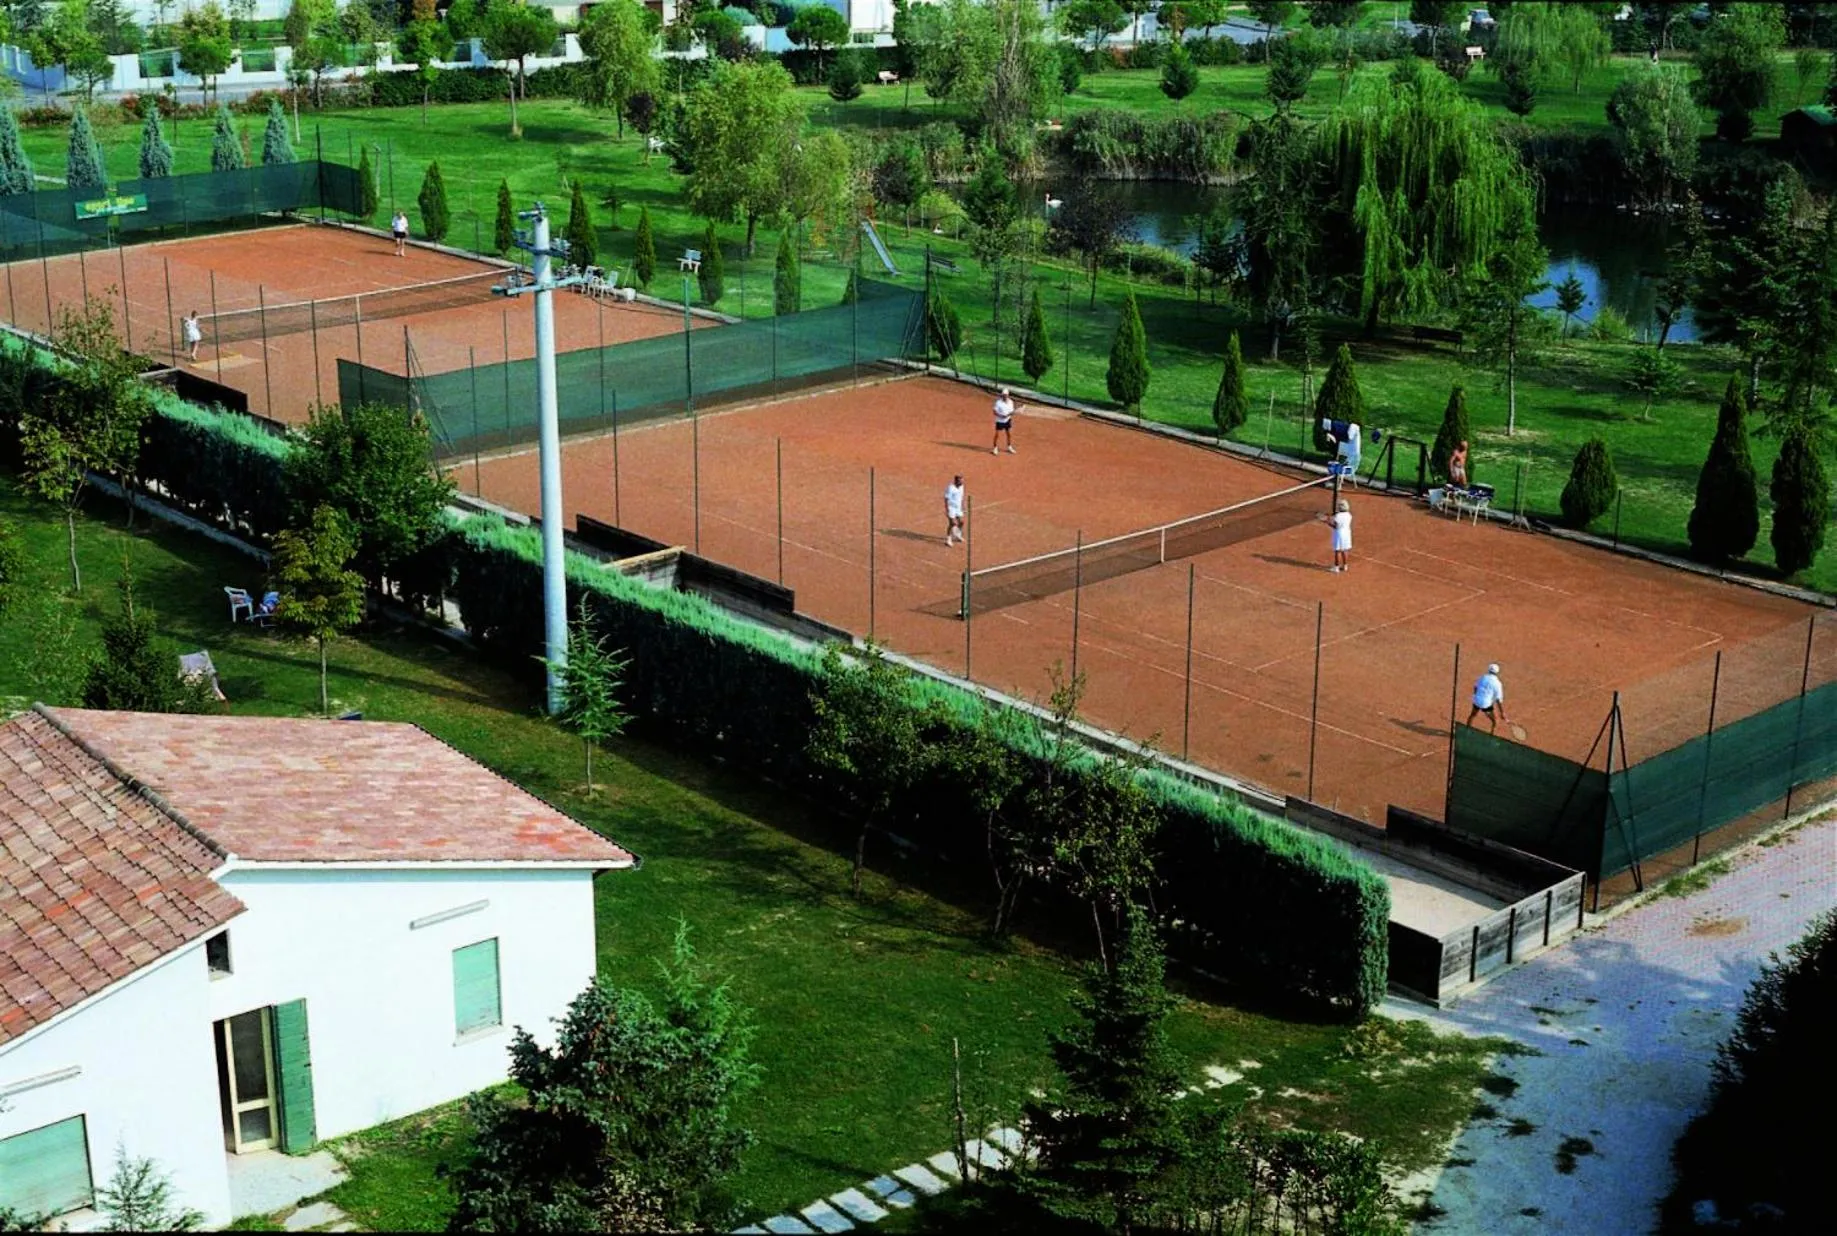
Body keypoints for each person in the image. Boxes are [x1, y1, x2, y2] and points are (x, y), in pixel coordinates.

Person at [1466, 663, 1511, 733]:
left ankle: (1467, 731)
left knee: (1473, 715)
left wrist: (1476, 696)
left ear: (1489, 670)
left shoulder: (1482, 677)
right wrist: (1502, 713)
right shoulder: (1498, 683)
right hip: (1486, 704)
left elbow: (1475, 687)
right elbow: (1498, 700)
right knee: (1495, 721)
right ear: (1497, 672)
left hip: (1476, 700)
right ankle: (1491, 738)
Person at [1320, 497, 1352, 572]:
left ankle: (1336, 567)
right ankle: (1345, 566)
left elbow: (1336, 526)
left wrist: (1327, 522)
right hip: (1347, 533)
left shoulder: (1338, 516)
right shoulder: (1349, 515)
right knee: (1345, 550)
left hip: (1339, 534)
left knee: (1337, 551)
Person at [991, 387, 1018, 455]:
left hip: (1007, 420)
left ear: (1008, 395)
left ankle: (1009, 447)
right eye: (1003, 395)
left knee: (1009, 434)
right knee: (997, 435)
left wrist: (1008, 415)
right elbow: (994, 411)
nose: (1004, 396)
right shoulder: (998, 402)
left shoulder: (1011, 402)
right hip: (999, 421)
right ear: (1002, 395)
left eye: (1006, 395)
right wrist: (1001, 415)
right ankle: (995, 448)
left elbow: (1012, 412)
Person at [944, 474, 966, 546]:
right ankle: (948, 539)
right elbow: (946, 499)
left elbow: (961, 497)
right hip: (951, 508)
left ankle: (957, 535)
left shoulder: (961, 487)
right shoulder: (950, 488)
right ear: (956, 481)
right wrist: (947, 510)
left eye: (962, 481)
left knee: (962, 522)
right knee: (952, 523)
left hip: (958, 508)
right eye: (960, 481)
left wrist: (963, 506)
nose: (962, 482)